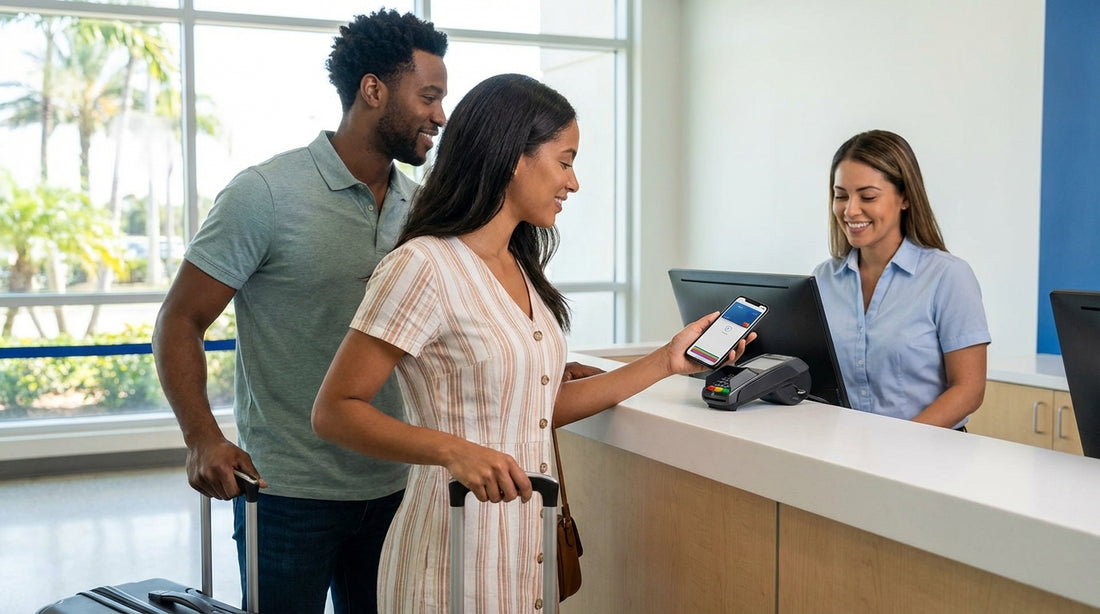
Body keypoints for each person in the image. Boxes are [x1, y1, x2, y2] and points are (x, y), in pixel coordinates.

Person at [310, 73, 754, 613]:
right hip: (449, 562)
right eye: (565, 161)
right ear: (513, 156)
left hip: (527, 557)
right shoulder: (422, 266)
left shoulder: (520, 267)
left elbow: (534, 412)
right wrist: (454, 450)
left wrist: (665, 360)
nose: (573, 183)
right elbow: (335, 411)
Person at [151, 10, 449, 614]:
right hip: (286, 493)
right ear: (373, 90)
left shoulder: (421, 209)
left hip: (397, 487)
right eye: (429, 96)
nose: (440, 116)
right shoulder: (264, 194)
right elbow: (179, 320)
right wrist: (201, 438)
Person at [812, 129, 991, 430]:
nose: (850, 210)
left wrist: (900, 445)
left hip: (929, 456)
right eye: (841, 195)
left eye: (867, 196)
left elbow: (968, 390)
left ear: (905, 197)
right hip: (849, 453)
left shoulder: (948, 276)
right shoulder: (823, 278)